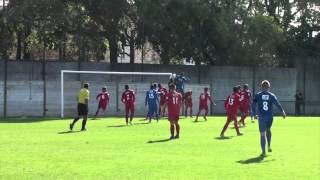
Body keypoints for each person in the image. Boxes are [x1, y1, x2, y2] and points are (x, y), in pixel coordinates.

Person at [251, 80, 286, 157]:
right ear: (269, 87)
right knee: (268, 129)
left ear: (261, 87)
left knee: (262, 134)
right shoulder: (272, 95)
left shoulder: (257, 95)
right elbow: (277, 104)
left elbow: (253, 105)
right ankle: (269, 145)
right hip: (270, 117)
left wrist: (253, 114)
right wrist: (282, 111)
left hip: (262, 117)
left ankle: (263, 152)